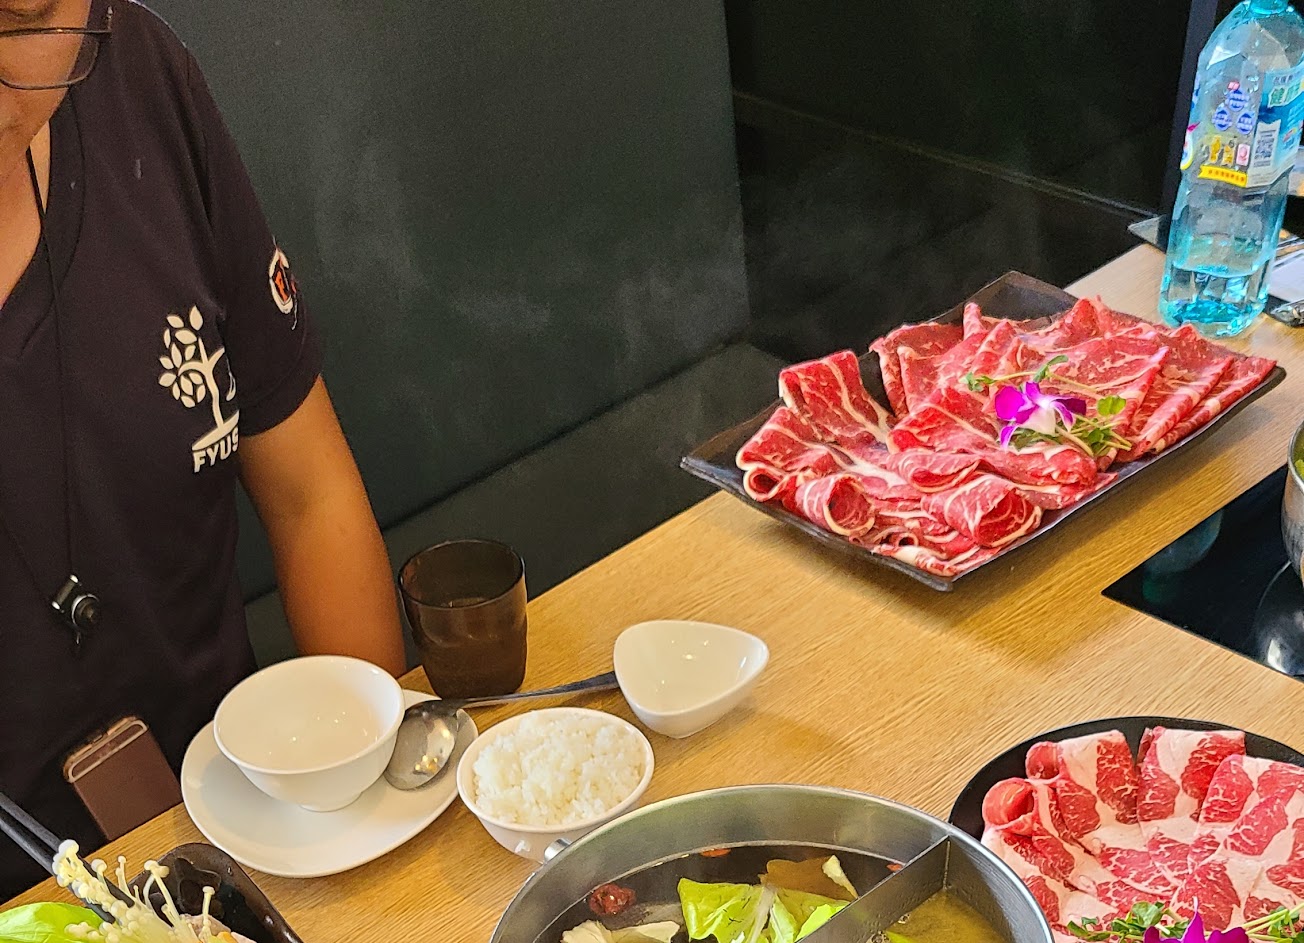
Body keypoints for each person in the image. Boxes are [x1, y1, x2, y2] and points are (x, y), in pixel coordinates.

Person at [0, 0, 407, 897]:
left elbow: (309, 494)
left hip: (241, 848)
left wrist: (368, 813)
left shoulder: (140, 81)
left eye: (23, 21)